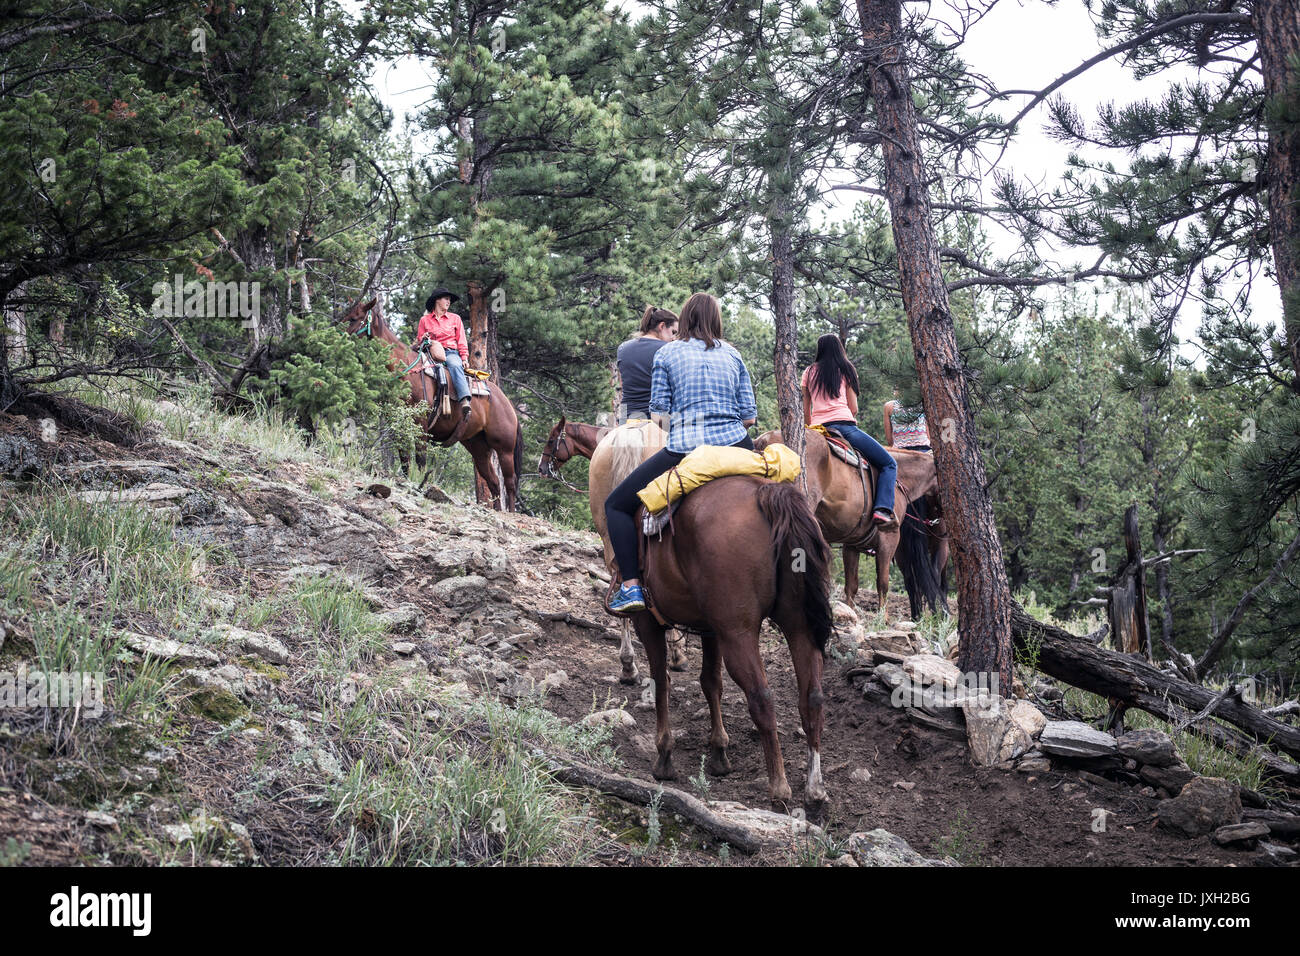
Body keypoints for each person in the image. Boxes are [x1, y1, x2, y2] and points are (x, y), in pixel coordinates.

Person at [604, 292, 757, 613]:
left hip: (686, 448)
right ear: (717, 319)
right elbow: (749, 417)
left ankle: (631, 587)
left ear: (684, 319)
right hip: (737, 445)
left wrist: (686, 426)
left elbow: (658, 414)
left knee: (616, 505)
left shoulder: (668, 354)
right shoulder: (733, 355)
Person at [802, 333, 897, 527]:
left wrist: (811, 430)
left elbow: (806, 409)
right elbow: (853, 408)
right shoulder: (846, 369)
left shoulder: (808, 372)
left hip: (817, 430)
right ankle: (882, 509)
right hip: (844, 428)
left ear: (819, 350)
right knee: (889, 464)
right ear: (839, 349)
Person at [414, 287, 472, 418]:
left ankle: (464, 400)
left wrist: (464, 358)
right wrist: (423, 339)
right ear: (437, 301)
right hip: (430, 353)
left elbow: (461, 340)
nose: (449, 302)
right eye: (446, 299)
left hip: (450, 353)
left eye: (449, 300)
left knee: (455, 366)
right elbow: (419, 340)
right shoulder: (425, 320)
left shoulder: (455, 318)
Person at [616, 306, 678, 421]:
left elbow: (623, 388)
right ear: (662, 326)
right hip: (656, 421)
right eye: (673, 332)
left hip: (627, 419)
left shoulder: (622, 348)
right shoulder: (668, 350)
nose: (674, 338)